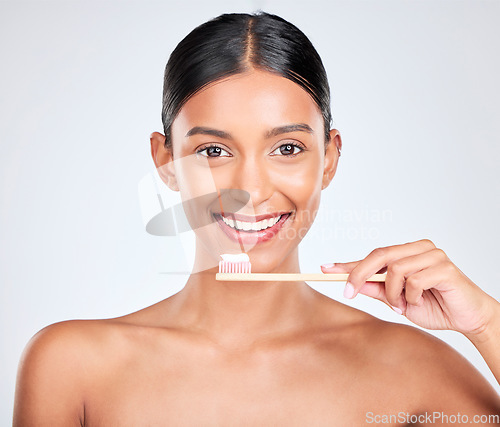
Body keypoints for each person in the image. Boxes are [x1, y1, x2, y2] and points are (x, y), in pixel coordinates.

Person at [13, 11, 500, 426]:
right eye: (214, 150)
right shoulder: (71, 367)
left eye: (287, 148)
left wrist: (487, 323)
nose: (253, 190)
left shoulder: (412, 370)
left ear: (329, 159)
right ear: (166, 162)